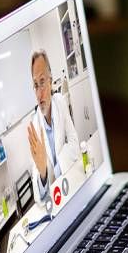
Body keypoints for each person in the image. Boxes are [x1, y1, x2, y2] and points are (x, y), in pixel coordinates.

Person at [26, 49, 80, 206]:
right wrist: (43, 173)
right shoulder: (34, 128)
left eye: (42, 82)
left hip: (71, 180)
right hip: (54, 200)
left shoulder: (60, 102)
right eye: (35, 85)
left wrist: (56, 171)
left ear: (50, 81)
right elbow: (39, 197)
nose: (38, 93)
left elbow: (74, 141)